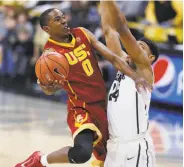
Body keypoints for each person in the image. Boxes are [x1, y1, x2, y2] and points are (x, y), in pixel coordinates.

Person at [15, 8, 151, 167]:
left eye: (63, 17)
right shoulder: (50, 54)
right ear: (47, 29)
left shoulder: (82, 33)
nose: (64, 21)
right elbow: (47, 89)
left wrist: (136, 77)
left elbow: (113, 58)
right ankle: (40, 160)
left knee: (107, 157)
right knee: (82, 153)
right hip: (80, 107)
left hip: (102, 105)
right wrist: (53, 87)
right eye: (57, 20)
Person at [99, 1, 159, 167]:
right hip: (114, 147)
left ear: (150, 58)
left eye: (140, 48)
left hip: (135, 148)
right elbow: (108, 30)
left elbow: (122, 30)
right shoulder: (123, 66)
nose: (133, 51)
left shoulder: (145, 72)